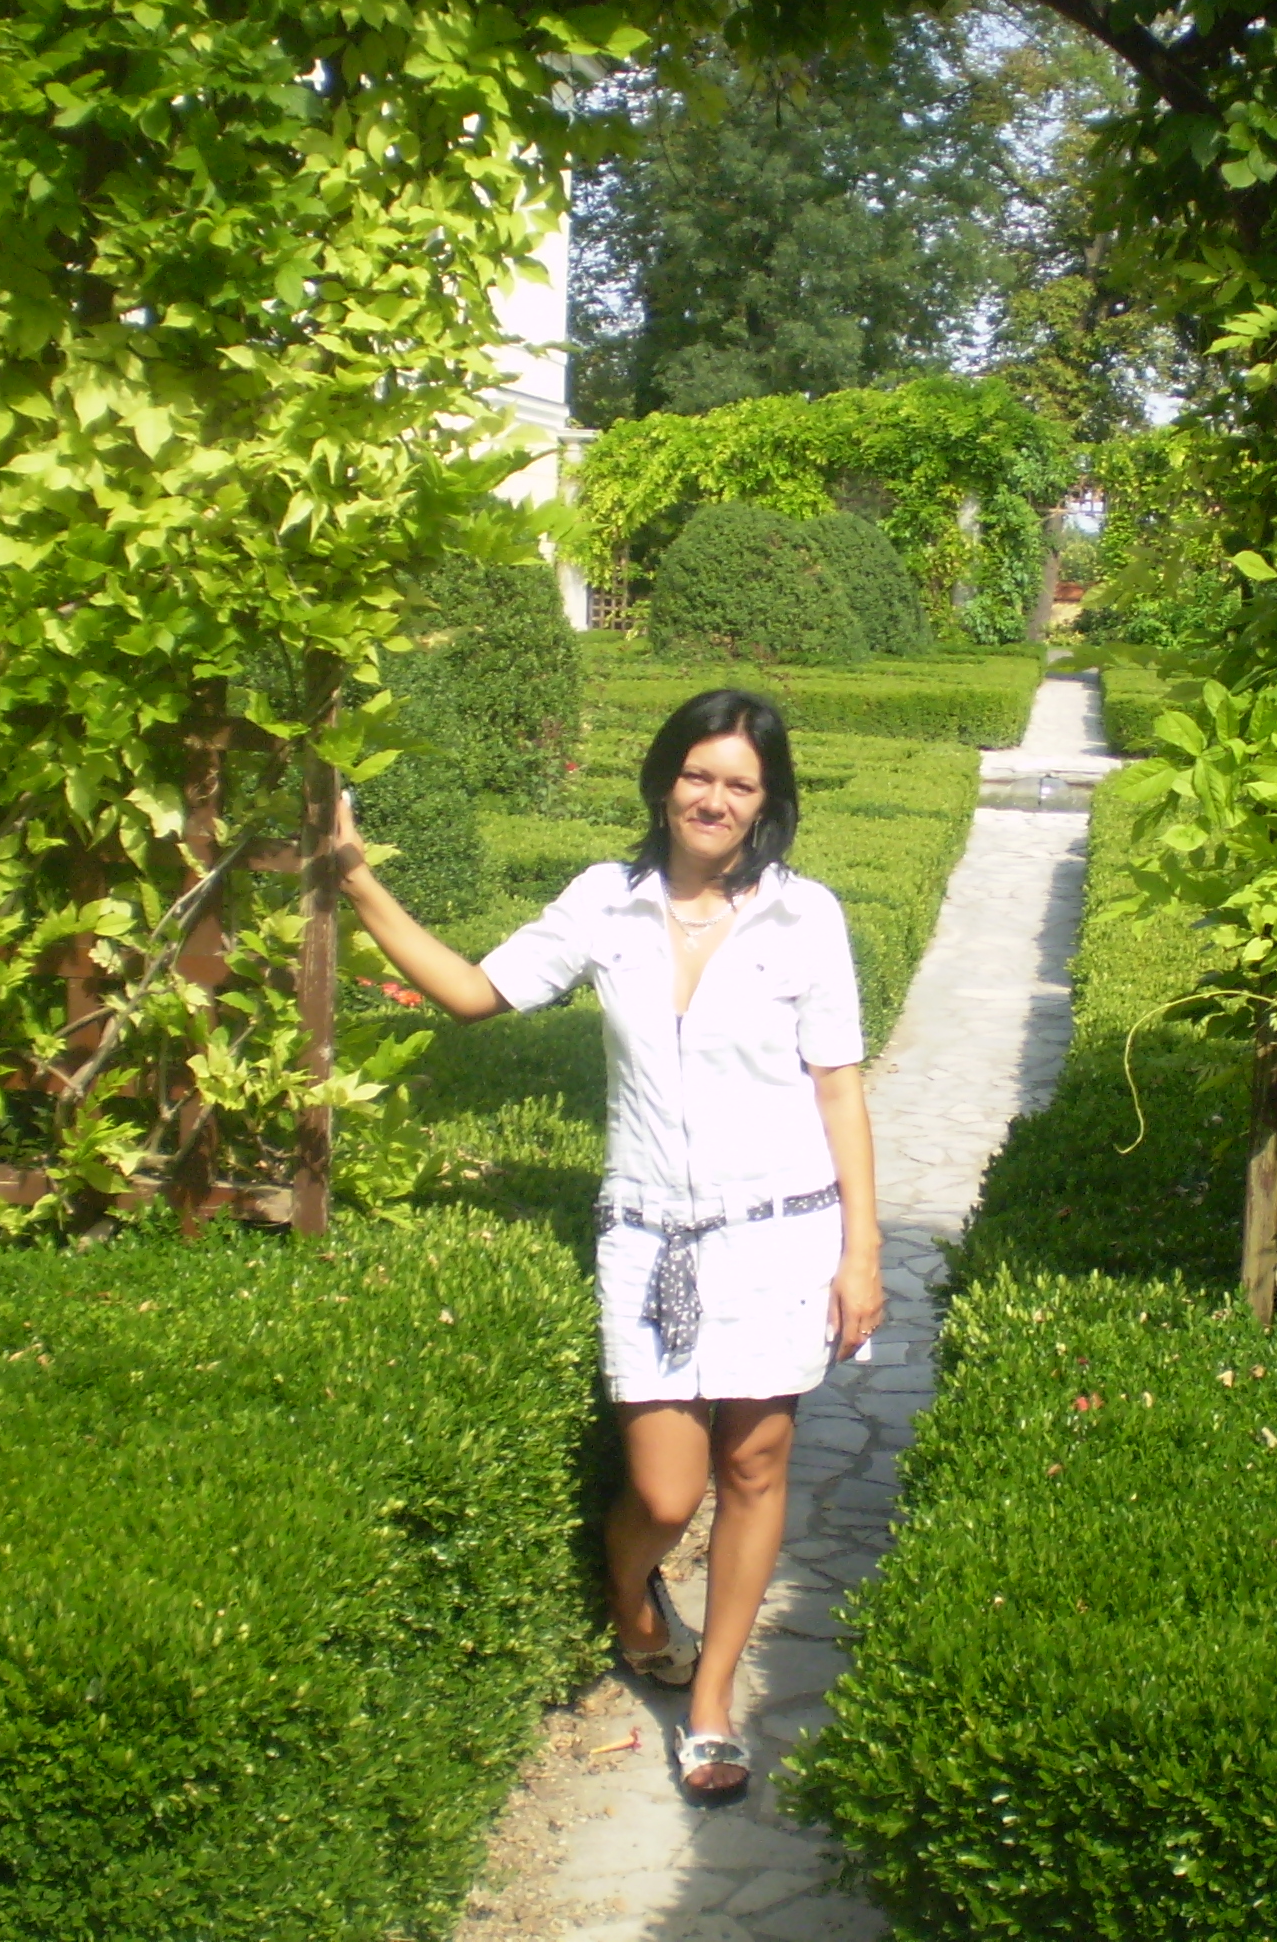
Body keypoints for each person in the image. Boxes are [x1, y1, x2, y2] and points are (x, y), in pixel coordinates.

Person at [340, 686, 886, 1803]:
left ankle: (712, 1702)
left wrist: (861, 1252)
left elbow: (838, 1085)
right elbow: (474, 993)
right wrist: (352, 877)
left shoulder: (805, 917)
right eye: (698, 775)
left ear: (769, 801)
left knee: (754, 1465)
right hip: (650, 1239)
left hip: (779, 1233)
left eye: (740, 785)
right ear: (664, 780)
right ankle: (632, 1600)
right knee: (666, 1490)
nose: (715, 800)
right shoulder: (606, 903)